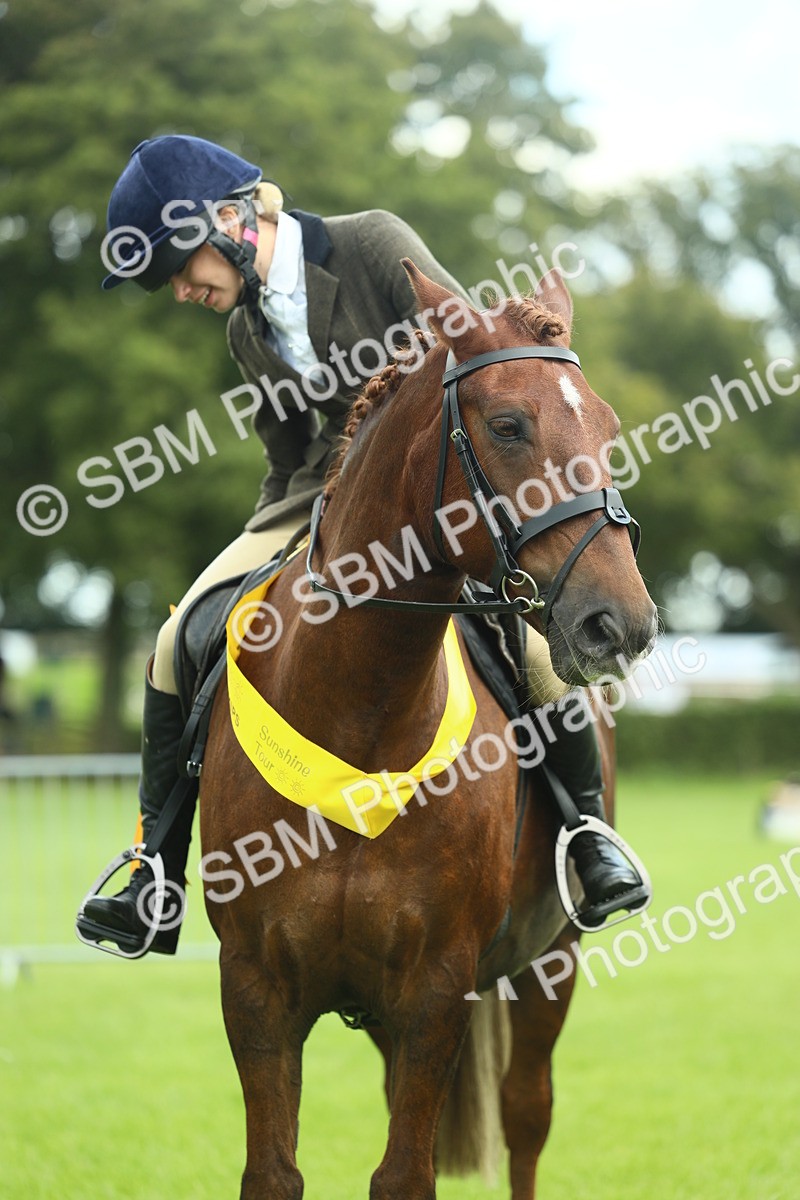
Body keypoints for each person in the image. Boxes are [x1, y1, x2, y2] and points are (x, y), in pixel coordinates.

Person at [77, 134, 644, 956]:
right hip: (314, 500)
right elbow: (286, 457)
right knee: (174, 639)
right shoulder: (246, 332)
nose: (179, 289)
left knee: (535, 650)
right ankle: (154, 873)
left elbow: (476, 354)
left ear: (229, 222)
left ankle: (589, 836)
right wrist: (269, 543)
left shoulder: (371, 242)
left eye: (177, 264)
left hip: (435, 488)